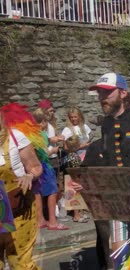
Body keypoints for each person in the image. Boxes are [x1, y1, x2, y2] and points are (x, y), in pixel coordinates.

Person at [83, 72, 130, 269]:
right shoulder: (106, 124)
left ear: (123, 93)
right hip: (117, 202)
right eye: (100, 93)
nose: (102, 98)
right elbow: (109, 161)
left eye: (107, 93)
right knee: (119, 257)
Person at [0, 103, 44, 269]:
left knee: (19, 262)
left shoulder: (15, 136)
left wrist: (29, 176)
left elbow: (35, 166)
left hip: (18, 207)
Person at [31, 108, 70, 230]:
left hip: (34, 166)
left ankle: (41, 220)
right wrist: (54, 150)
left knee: (37, 193)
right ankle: (53, 221)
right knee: (53, 192)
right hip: (45, 165)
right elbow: (44, 153)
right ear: (43, 121)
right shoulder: (41, 134)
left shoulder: (31, 133)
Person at [63, 135, 89, 223]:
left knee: (74, 197)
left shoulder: (68, 156)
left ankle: (78, 214)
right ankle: (76, 216)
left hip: (68, 177)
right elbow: (75, 168)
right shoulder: (74, 156)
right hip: (74, 178)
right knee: (75, 198)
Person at [38, 99, 64, 177]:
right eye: (50, 111)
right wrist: (59, 138)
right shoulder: (44, 124)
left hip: (53, 155)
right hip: (49, 155)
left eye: (53, 111)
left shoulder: (49, 123)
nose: (52, 113)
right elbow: (48, 138)